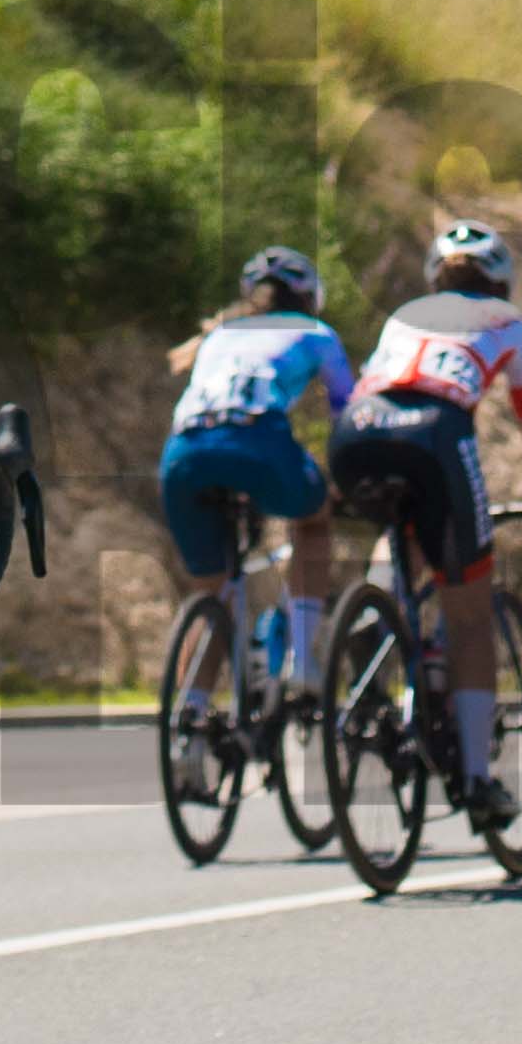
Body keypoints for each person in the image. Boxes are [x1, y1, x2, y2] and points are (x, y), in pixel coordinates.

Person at [342, 218, 522, 825]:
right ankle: (475, 778)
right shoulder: (509, 322)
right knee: (469, 613)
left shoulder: (404, 315)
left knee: (401, 531)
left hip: (358, 429)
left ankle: (376, 613)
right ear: (502, 280)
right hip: (434, 431)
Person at [154, 248, 351, 739]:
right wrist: (344, 483)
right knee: (314, 520)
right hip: (256, 440)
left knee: (214, 593)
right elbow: (346, 415)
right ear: (310, 298)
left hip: (183, 453)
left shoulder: (219, 335)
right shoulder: (317, 332)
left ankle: (189, 725)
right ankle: (303, 660)